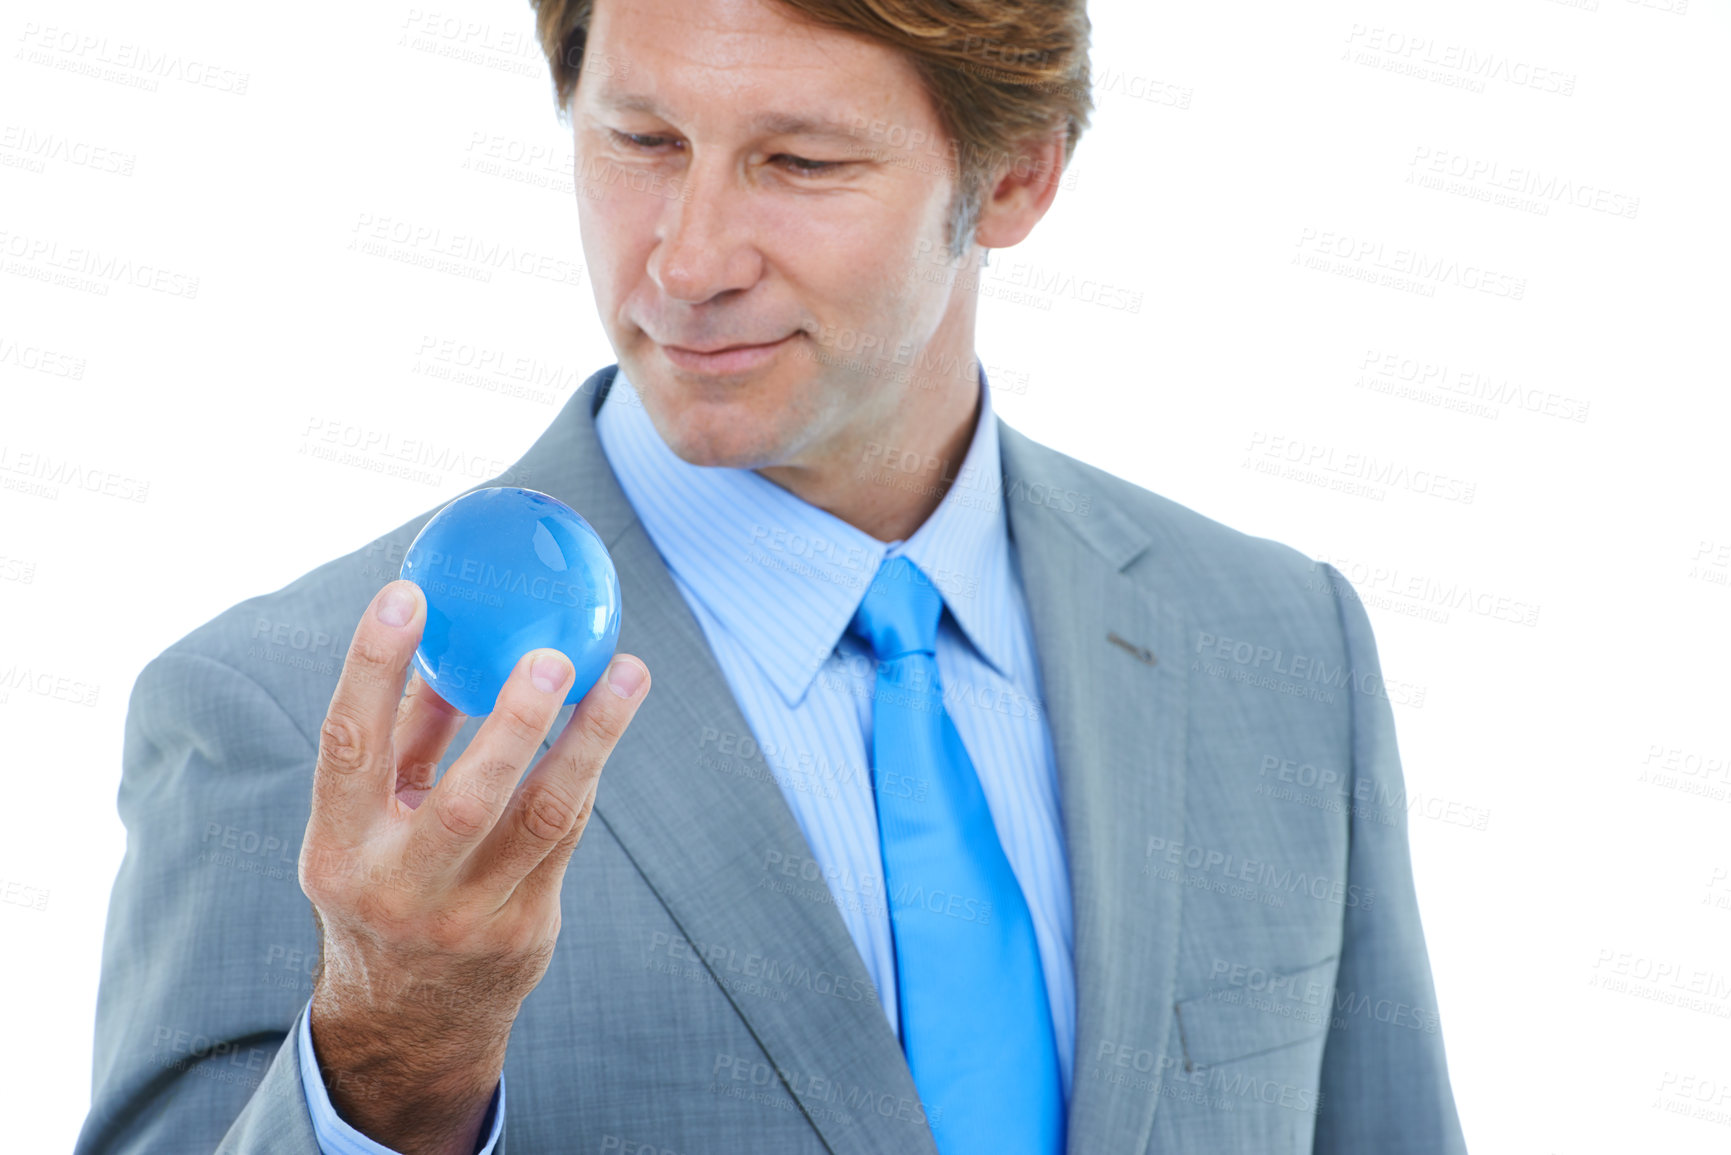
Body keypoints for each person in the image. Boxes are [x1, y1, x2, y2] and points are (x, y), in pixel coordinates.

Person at [77, 0, 1467, 1151]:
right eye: (641, 139)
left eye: (799, 164)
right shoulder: (286, 708)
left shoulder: (1283, 651)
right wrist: (386, 1062)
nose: (684, 262)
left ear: (1021, 175)